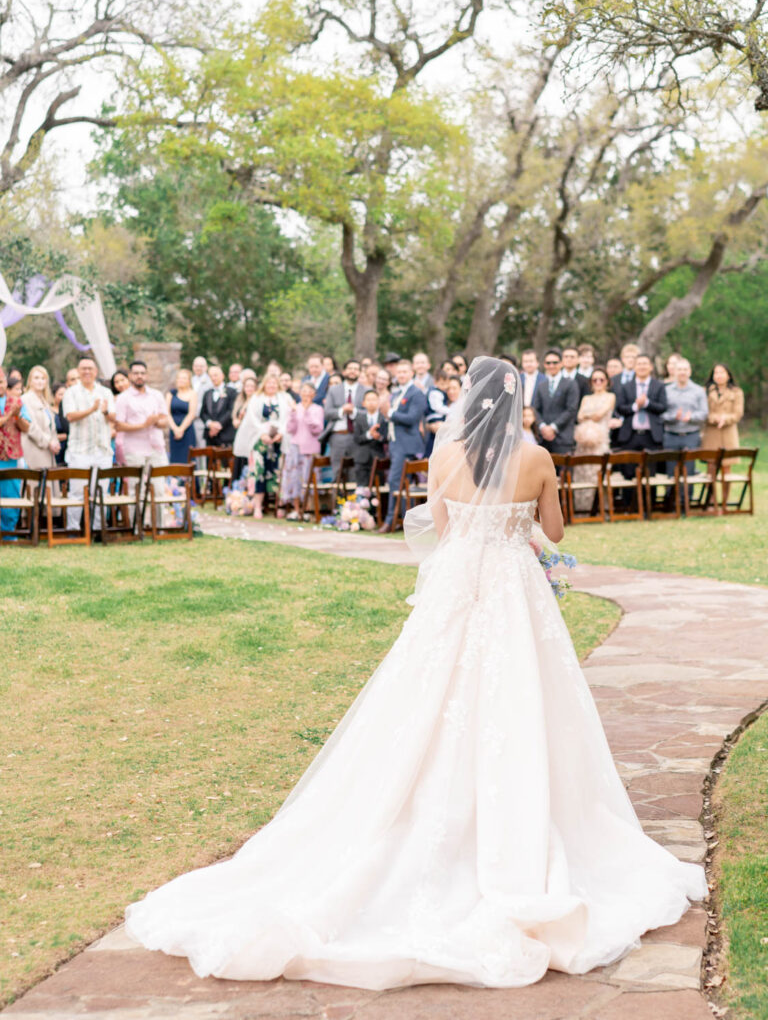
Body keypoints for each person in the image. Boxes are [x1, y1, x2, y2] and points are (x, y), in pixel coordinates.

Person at [125, 356, 706, 989]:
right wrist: (524, 530)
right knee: (521, 698)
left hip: (457, 586)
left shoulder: (447, 451)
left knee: (427, 694)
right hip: (512, 588)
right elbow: (554, 528)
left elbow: (445, 525)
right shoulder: (536, 456)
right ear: (514, 403)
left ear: (470, 400)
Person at [61, 357, 115, 531]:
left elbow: (113, 418)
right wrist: (91, 410)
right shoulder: (71, 392)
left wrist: (105, 412)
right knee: (77, 493)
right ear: (78, 371)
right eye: (83, 368)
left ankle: (98, 530)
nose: (87, 372)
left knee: (100, 492)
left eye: (90, 368)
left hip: (102, 449)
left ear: (96, 371)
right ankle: (74, 529)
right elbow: (70, 416)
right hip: (80, 450)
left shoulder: (106, 392)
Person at [114, 361, 169, 520]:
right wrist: (143, 425)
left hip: (156, 448)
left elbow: (165, 420)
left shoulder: (156, 395)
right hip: (134, 449)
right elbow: (119, 425)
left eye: (142, 373)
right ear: (130, 376)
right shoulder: (124, 398)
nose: (139, 376)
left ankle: (159, 527)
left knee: (158, 489)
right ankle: (136, 527)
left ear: (147, 375)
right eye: (136, 373)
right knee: (135, 489)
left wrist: (155, 422)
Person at [380, 358, 427, 531]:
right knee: (397, 483)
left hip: (407, 445)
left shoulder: (416, 393)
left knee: (395, 481)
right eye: (398, 372)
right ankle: (402, 521)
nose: (401, 375)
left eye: (404, 372)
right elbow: (390, 418)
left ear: (411, 373)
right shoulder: (395, 394)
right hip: (394, 443)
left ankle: (391, 521)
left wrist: (390, 412)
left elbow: (412, 419)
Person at [243, 373, 292, 518]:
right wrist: (262, 434)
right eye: (269, 383)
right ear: (264, 384)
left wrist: (281, 433)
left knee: (277, 471)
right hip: (260, 441)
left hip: (278, 441)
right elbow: (252, 418)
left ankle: (279, 505)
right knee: (260, 471)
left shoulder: (284, 399)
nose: (271, 386)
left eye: (274, 383)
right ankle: (258, 506)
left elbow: (288, 418)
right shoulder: (257, 399)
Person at [572, 367, 615, 510]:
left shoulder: (610, 396)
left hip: (600, 441)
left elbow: (599, 415)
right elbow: (579, 416)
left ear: (607, 381)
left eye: (601, 379)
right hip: (583, 442)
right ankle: (582, 509)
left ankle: (602, 509)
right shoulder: (586, 398)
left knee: (599, 474)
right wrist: (589, 415)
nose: (598, 382)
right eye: (594, 379)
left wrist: (587, 415)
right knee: (582, 473)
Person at [281, 383, 324, 518]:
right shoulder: (295, 408)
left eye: (309, 391)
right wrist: (294, 413)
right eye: (303, 391)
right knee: (294, 479)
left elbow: (317, 429)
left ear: (314, 394)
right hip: (295, 448)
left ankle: (307, 510)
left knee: (309, 479)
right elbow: (290, 429)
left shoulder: (317, 409)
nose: (306, 394)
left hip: (310, 449)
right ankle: (296, 509)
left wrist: (306, 413)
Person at [661, 359, 708, 474]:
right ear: (674, 372)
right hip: (671, 435)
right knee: (672, 473)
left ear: (690, 372)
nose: (682, 372)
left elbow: (704, 413)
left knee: (689, 472)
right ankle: (671, 492)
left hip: (690, 435)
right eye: (679, 369)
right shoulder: (666, 390)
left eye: (685, 369)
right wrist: (673, 417)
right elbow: (661, 414)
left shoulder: (698, 391)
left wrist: (691, 417)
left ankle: (687, 493)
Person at [323, 359, 369, 476]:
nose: (353, 371)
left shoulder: (366, 391)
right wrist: (342, 410)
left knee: (356, 472)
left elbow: (369, 414)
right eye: (350, 368)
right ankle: (338, 494)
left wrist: (354, 411)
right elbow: (327, 413)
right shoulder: (334, 390)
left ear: (359, 372)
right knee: (338, 472)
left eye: (356, 369)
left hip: (357, 437)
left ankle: (355, 495)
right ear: (344, 371)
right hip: (338, 436)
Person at [0, 365, 31, 534]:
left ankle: (8, 532)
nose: (1, 385)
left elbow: (26, 428)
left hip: (11, 456)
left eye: (2, 381)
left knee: (11, 495)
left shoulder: (17, 402)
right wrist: (7, 416)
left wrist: (17, 415)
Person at [615, 353, 667, 454]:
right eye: (639, 364)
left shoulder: (659, 386)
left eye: (645, 364)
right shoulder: (626, 386)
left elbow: (663, 407)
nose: (642, 366)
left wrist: (647, 403)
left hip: (651, 436)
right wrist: (635, 406)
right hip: (630, 435)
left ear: (651, 367)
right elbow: (620, 408)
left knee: (649, 468)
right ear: (634, 367)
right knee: (628, 468)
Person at [532, 348, 580, 455]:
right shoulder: (541, 385)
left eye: (555, 362)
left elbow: (571, 409)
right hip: (543, 439)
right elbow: (536, 409)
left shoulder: (571, 384)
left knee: (563, 471)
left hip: (563, 437)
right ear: (544, 365)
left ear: (561, 363)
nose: (551, 365)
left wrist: (553, 428)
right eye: (548, 363)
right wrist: (543, 427)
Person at [21, 365, 60, 471]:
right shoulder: (25, 399)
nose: (40, 381)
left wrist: (55, 441)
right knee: (38, 485)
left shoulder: (45, 401)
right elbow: (30, 426)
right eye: (36, 378)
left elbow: (51, 427)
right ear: (30, 381)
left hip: (49, 452)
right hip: (35, 450)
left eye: (43, 378)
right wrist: (49, 442)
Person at [701, 363, 744, 456]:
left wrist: (725, 419)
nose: (719, 375)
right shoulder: (706, 391)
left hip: (728, 432)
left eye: (722, 372)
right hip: (711, 433)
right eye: (716, 373)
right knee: (711, 463)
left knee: (727, 464)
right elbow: (702, 411)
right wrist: (714, 418)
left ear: (728, 375)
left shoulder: (736, 392)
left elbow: (738, 413)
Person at [352, 388, 387, 487]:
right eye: (368, 400)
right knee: (361, 488)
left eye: (374, 399)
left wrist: (379, 437)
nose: (371, 402)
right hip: (362, 459)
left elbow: (387, 438)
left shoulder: (383, 418)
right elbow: (356, 438)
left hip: (378, 458)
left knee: (379, 487)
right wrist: (369, 434)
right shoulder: (359, 418)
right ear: (363, 403)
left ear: (378, 402)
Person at [166, 368, 198, 466]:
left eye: (184, 378)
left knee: (187, 458)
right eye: (179, 378)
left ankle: (189, 481)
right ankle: (175, 480)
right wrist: (175, 429)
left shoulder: (192, 393)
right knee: (175, 459)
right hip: (173, 429)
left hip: (187, 430)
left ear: (189, 381)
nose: (181, 380)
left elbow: (191, 414)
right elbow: (167, 413)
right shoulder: (171, 393)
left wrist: (181, 429)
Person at [201, 365, 237, 447]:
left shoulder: (232, 392)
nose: (213, 378)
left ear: (223, 376)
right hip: (210, 436)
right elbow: (203, 413)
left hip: (226, 435)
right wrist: (210, 424)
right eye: (211, 376)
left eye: (215, 375)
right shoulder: (207, 393)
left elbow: (231, 411)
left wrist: (218, 425)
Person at [232, 375, 259, 480]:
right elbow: (235, 415)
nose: (249, 388)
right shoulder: (240, 400)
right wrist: (235, 420)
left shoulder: (256, 401)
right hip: (240, 437)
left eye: (252, 386)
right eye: (247, 386)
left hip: (251, 437)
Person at [191, 356, 213, 447]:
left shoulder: (210, 382)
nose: (198, 368)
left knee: (201, 447)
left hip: (201, 420)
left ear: (206, 367)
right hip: (189, 420)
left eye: (201, 366)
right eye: (196, 366)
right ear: (193, 367)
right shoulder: (190, 380)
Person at [51, 382, 69, 464]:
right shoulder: (50, 411)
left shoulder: (70, 412)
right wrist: (65, 436)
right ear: (54, 396)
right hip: (56, 449)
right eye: (60, 394)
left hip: (69, 449)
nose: (64, 397)